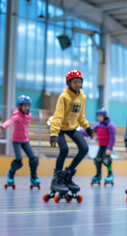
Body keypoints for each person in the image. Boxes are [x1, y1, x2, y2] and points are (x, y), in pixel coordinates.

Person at [49, 70, 94, 199]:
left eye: (80, 82)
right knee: (64, 149)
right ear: (69, 83)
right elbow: (57, 117)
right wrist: (54, 134)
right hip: (60, 127)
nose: (78, 84)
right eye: (75, 82)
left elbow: (81, 117)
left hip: (72, 127)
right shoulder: (64, 96)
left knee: (84, 148)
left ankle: (68, 176)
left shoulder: (82, 97)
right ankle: (57, 179)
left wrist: (88, 128)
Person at [1, 95, 40, 189]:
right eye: (24, 106)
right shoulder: (17, 116)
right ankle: (10, 174)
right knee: (19, 160)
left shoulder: (29, 115)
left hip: (25, 140)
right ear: (19, 106)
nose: (27, 108)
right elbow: (10, 121)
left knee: (33, 158)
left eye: (28, 106)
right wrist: (2, 127)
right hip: (16, 141)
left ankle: (34, 177)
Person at [83, 108, 116, 186]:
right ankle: (98, 174)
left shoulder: (110, 125)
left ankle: (110, 174)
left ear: (104, 116)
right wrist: (79, 132)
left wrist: (110, 148)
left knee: (106, 160)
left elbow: (112, 137)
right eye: (97, 116)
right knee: (97, 160)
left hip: (107, 146)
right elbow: (90, 131)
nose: (98, 117)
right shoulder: (98, 125)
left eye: (100, 116)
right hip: (101, 146)